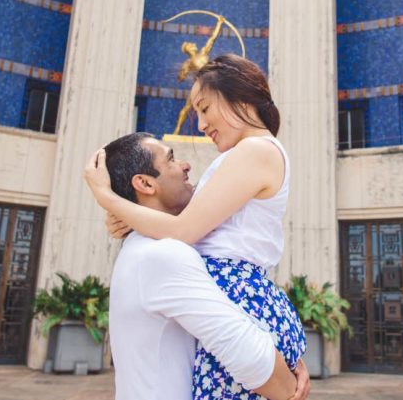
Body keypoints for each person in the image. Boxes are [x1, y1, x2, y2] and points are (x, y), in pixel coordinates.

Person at [85, 54, 304, 400]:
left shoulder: (255, 151)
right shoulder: (246, 153)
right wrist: (126, 218)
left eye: (204, 108)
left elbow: (185, 230)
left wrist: (108, 198)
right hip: (234, 292)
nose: (200, 124)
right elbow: (187, 222)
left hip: (237, 291)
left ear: (240, 97)